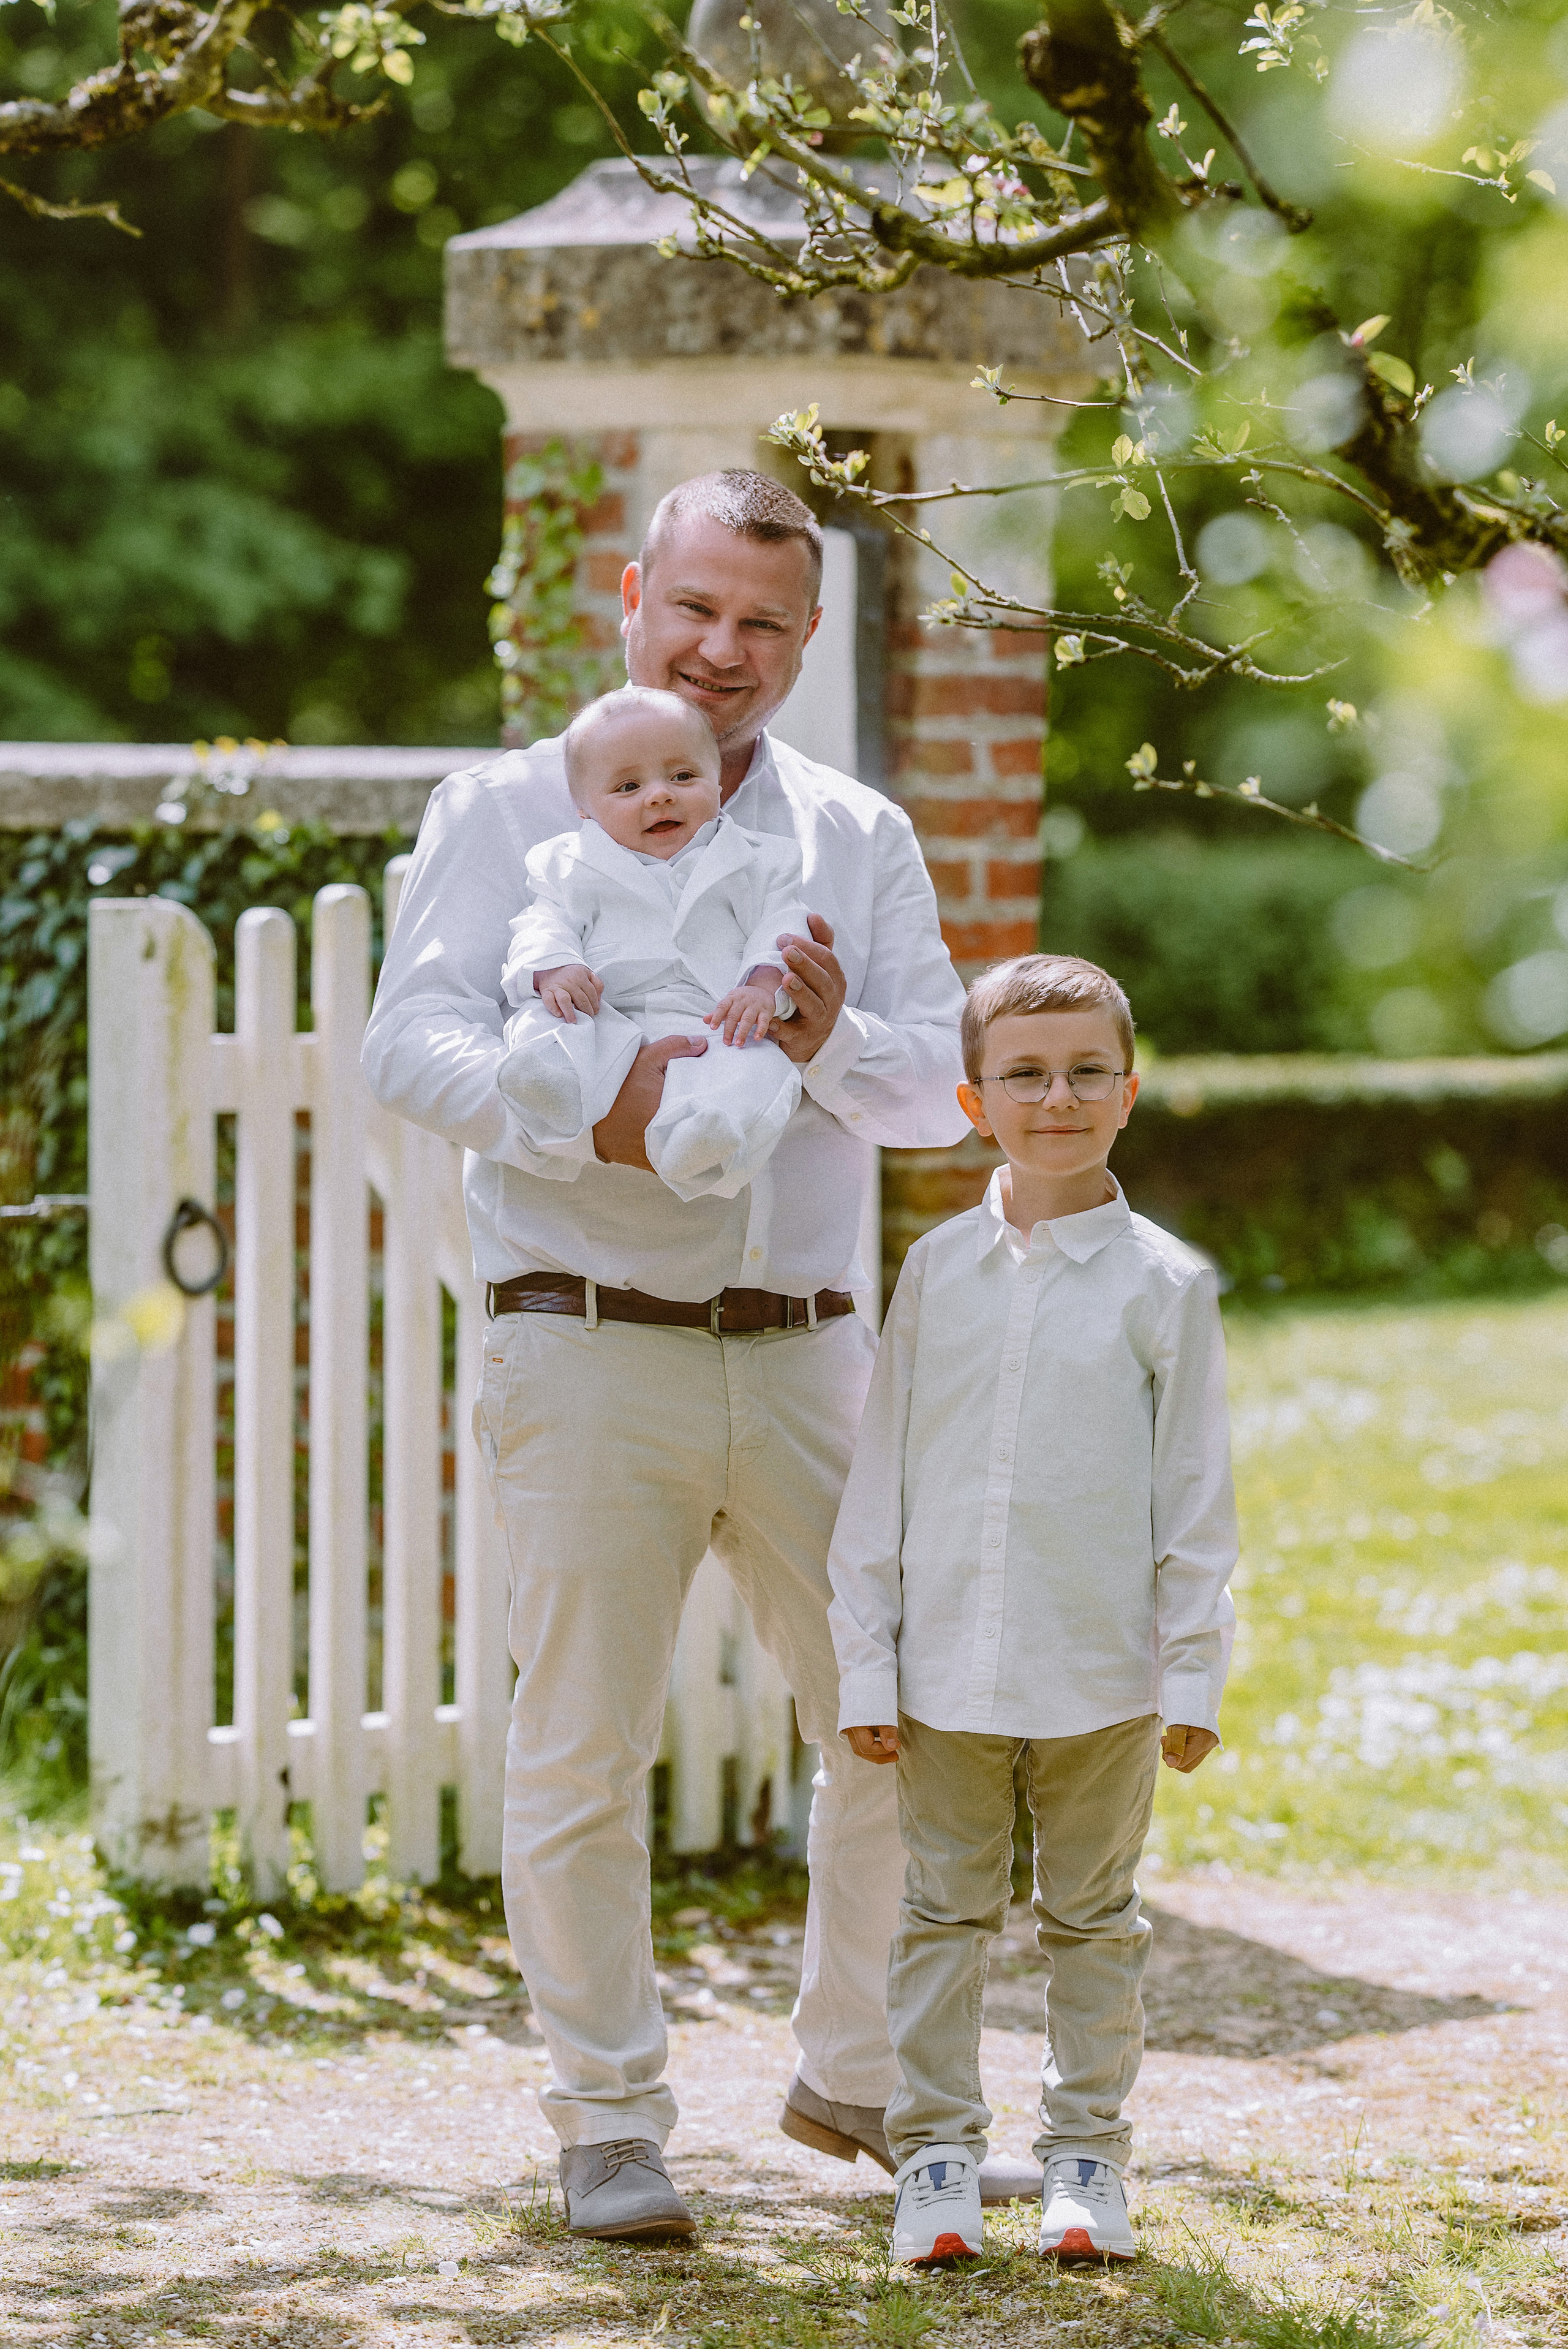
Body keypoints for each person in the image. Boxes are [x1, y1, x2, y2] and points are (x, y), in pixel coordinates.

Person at [363, 468, 1038, 2243]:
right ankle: (607, 2123)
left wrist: (823, 1039)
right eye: (696, 610)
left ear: (807, 641)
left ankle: (859, 2076)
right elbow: (409, 1043)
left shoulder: (855, 834)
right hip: (583, 1343)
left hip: (816, 1350)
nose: (722, 652)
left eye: (762, 624)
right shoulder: (505, 809)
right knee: (581, 1745)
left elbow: (932, 1095)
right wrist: (595, 1117)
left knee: (899, 1723)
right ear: (633, 593)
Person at [826, 952, 1239, 2267]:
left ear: (1126, 1093)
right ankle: (936, 2157)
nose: (1052, 1097)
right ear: (972, 1097)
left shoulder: (1162, 1285)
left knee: (1091, 1923)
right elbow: (880, 1476)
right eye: (1023, 1075)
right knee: (940, 1912)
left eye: (1081, 1074)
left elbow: (1194, 1496)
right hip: (943, 1669)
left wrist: (1187, 1677)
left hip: (1100, 1673)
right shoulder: (932, 1272)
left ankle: (1085, 2164)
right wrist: (865, 1664)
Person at [497, 684, 810, 1201]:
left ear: (718, 783)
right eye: (627, 788)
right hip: (601, 1008)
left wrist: (762, 984)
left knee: (762, 1067)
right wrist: (554, 968)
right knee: (546, 1023)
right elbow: (542, 922)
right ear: (585, 810)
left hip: (712, 1016)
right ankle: (550, 1083)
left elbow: (782, 924)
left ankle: (704, 1133)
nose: (660, 795)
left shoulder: (761, 860)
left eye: (683, 777)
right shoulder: (569, 862)